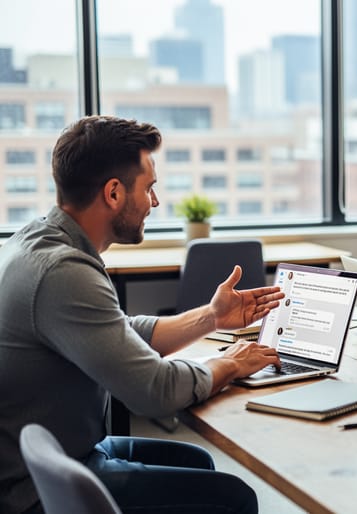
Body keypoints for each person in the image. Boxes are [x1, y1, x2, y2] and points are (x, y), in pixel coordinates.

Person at [0, 116, 285, 514]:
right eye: (149, 188)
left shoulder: (38, 239)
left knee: (198, 461)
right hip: (40, 489)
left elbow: (117, 332)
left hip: (57, 454)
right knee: (234, 498)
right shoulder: (63, 272)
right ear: (114, 193)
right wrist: (229, 364)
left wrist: (212, 317)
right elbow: (156, 391)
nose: (154, 202)